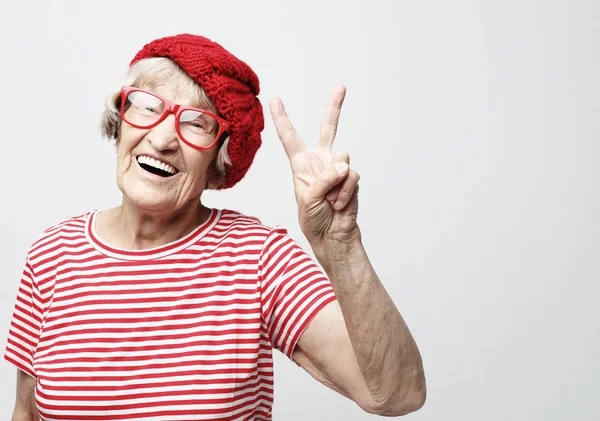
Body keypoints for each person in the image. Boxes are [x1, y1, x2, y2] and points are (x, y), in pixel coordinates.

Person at [6, 34, 426, 420]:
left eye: (195, 123)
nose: (163, 138)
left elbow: (396, 393)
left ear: (219, 163)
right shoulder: (52, 255)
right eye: (148, 107)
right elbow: (25, 413)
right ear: (120, 122)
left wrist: (340, 245)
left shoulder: (258, 259)